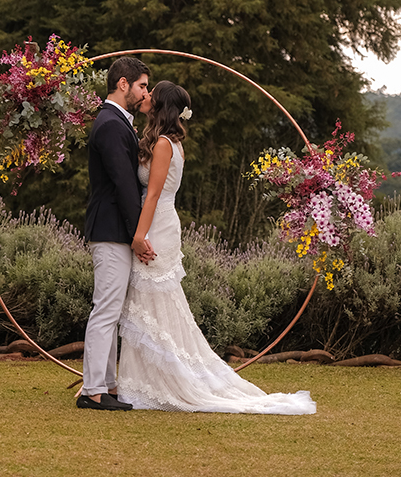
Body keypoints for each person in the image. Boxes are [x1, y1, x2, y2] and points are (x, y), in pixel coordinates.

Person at [116, 81, 317, 415]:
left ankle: (162, 383)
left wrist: (138, 236)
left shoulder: (165, 144)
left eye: (152, 93)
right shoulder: (165, 141)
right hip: (158, 221)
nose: (146, 96)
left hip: (156, 226)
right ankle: (145, 381)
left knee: (153, 303)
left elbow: (151, 195)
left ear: (162, 105)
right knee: (149, 306)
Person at [77, 56, 155, 411]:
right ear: (122, 84)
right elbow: (124, 184)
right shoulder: (110, 124)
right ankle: (93, 390)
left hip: (114, 230)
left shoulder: (119, 122)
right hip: (110, 230)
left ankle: (105, 385)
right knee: (105, 310)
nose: (145, 93)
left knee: (110, 309)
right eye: (141, 86)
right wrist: (137, 233)